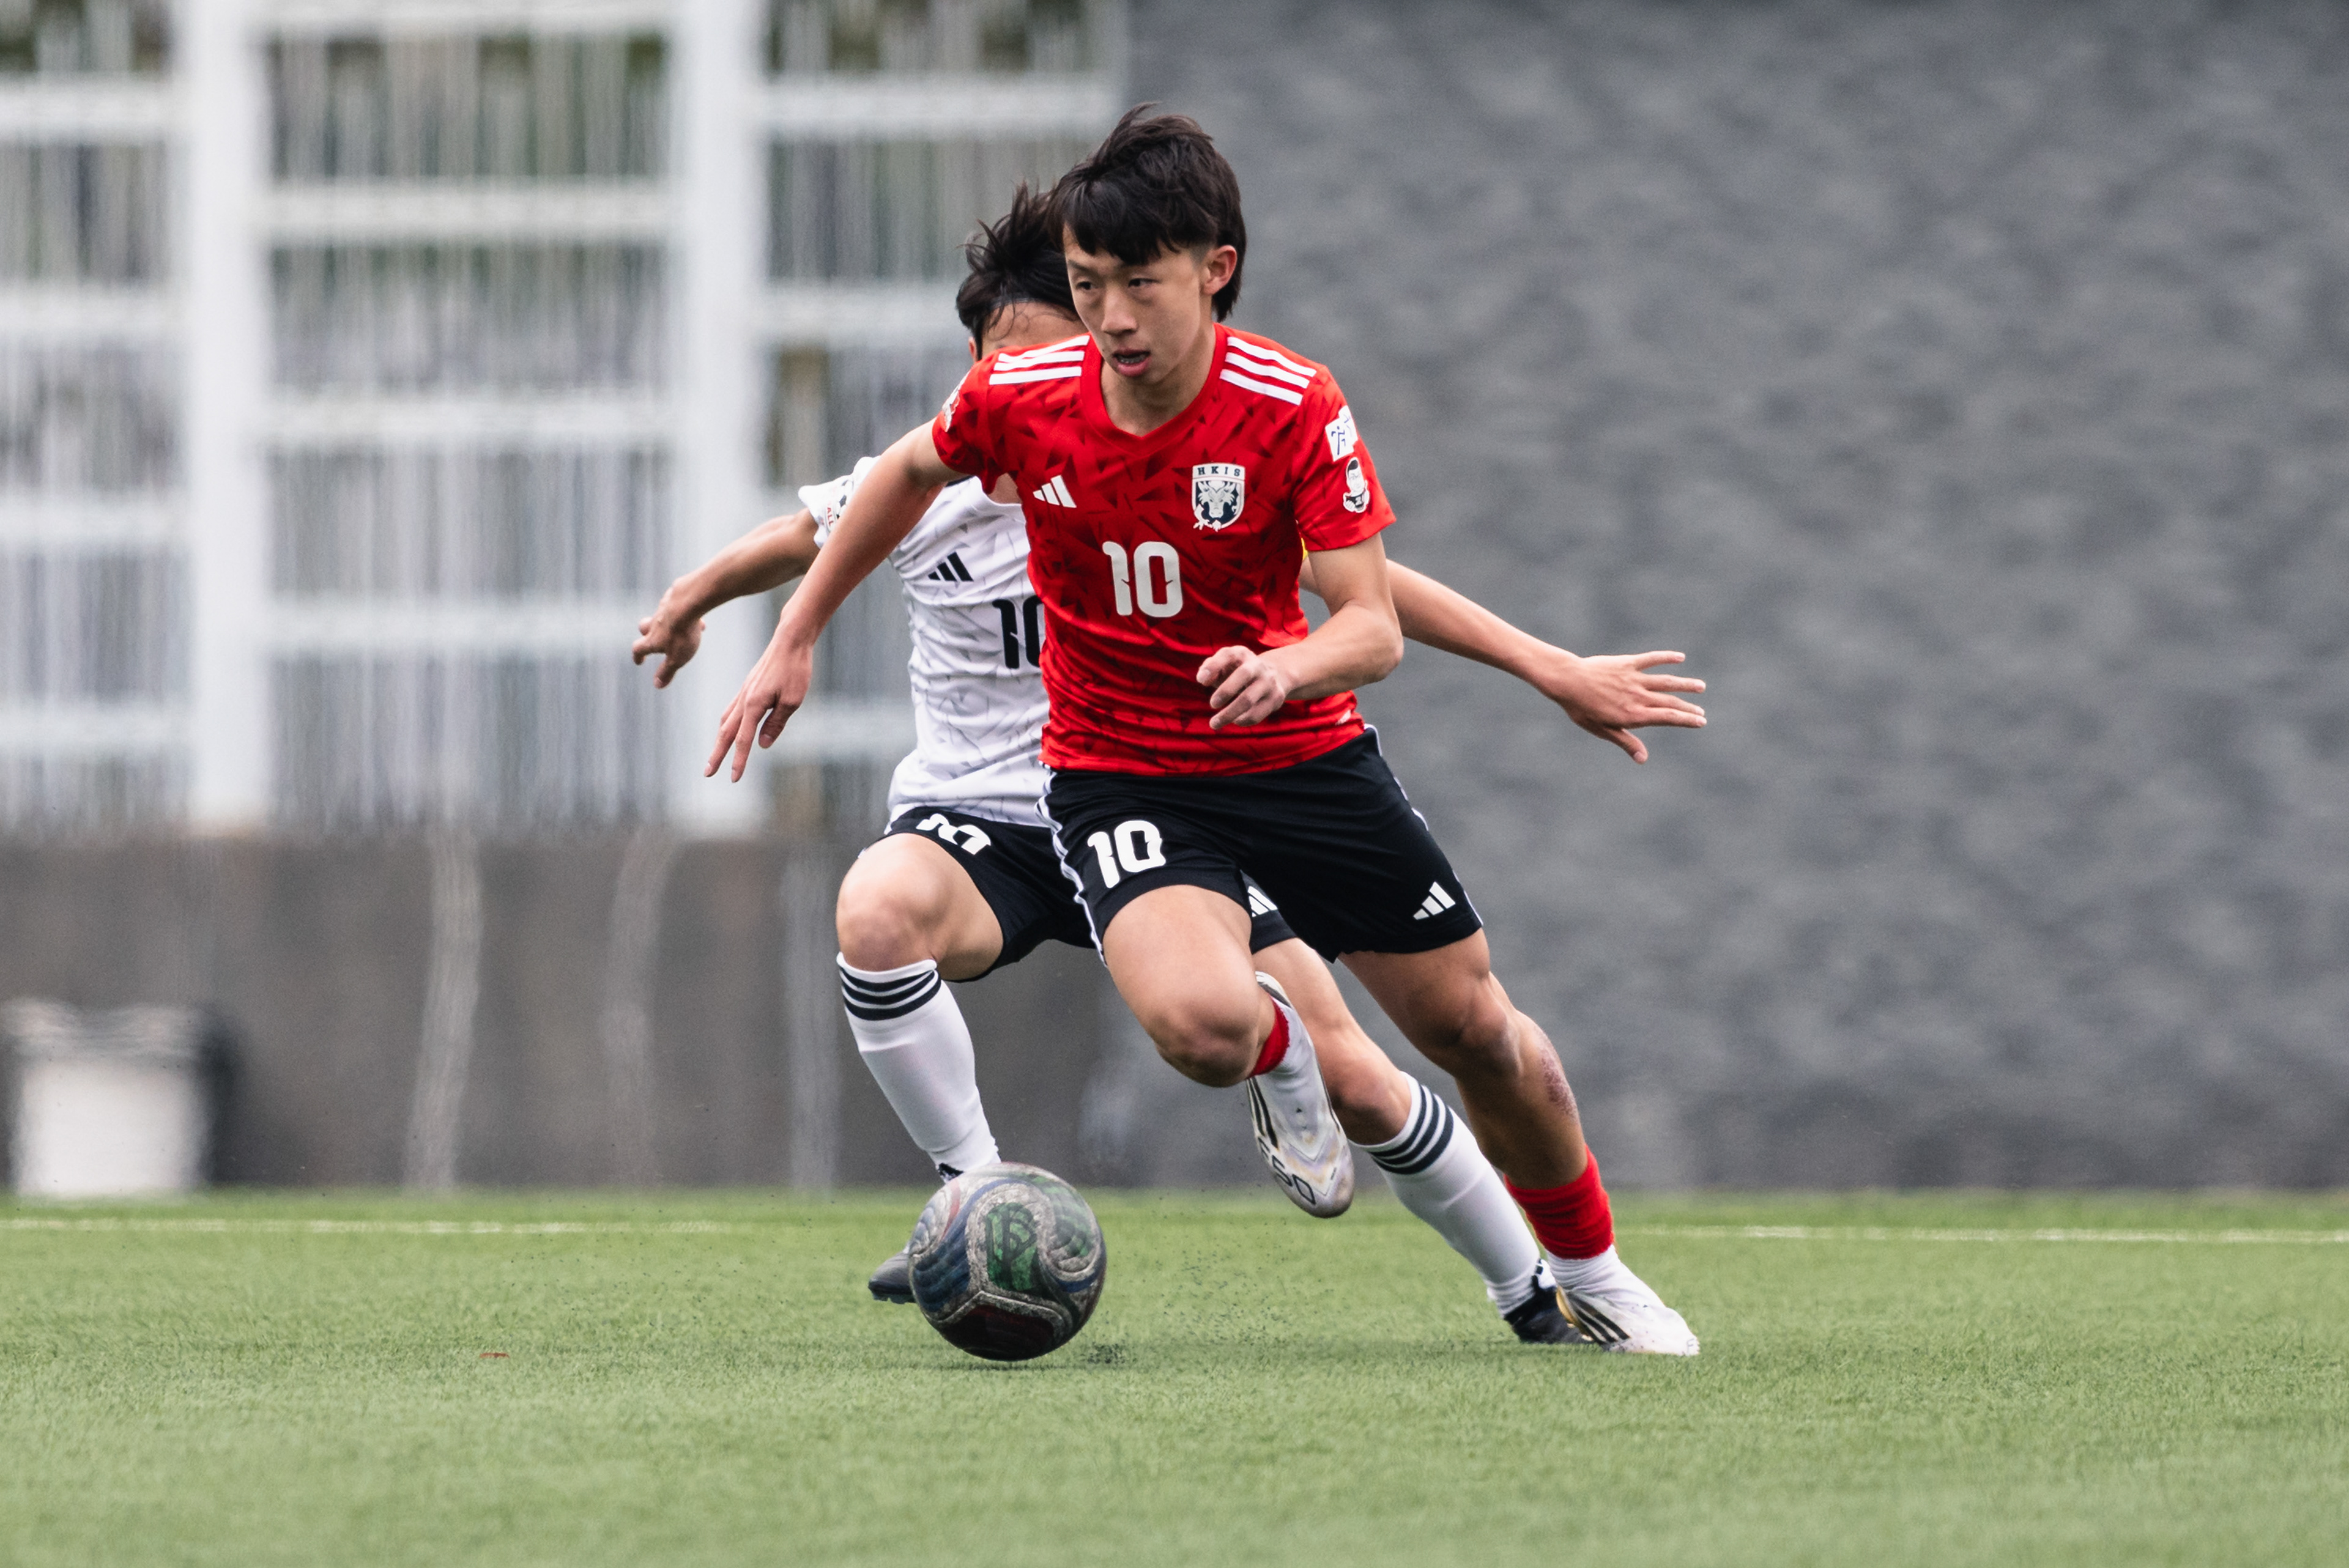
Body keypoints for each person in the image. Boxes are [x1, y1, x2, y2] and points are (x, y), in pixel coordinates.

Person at [705, 114, 1710, 1355]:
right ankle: (1251, 1063)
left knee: (1475, 1035)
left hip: (1303, 762)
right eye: (1088, 286)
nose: (1112, 317)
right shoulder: (1023, 399)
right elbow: (898, 478)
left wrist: (1301, 667)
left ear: (1213, 269)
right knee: (1201, 1028)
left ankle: (1590, 1271)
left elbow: (1372, 625)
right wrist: (797, 634)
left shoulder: (1289, 408)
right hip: (1123, 773)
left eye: (1137, 285)